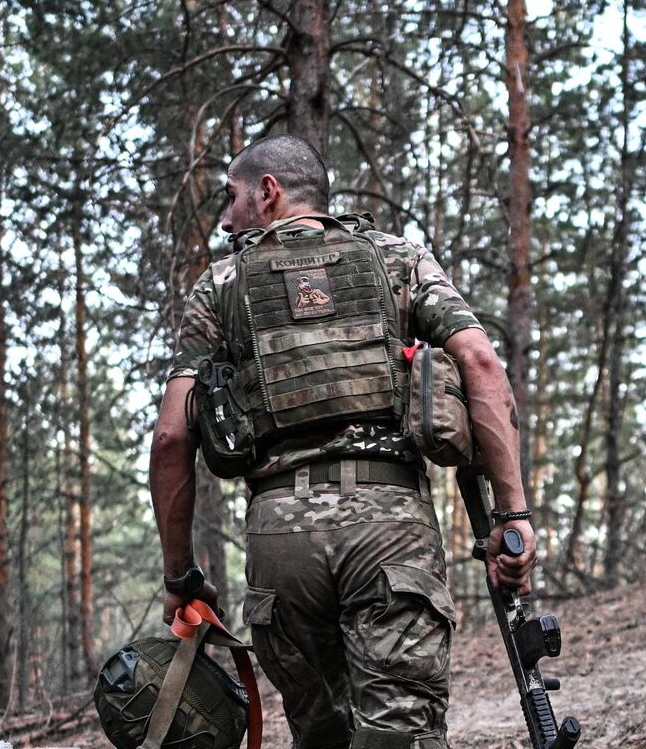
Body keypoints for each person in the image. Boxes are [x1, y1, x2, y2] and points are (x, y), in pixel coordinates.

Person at [148, 134, 538, 749]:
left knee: (322, 733)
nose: (226, 217)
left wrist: (181, 577)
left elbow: (172, 437)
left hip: (281, 537)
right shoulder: (398, 261)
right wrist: (512, 517)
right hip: (391, 531)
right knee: (399, 735)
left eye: (232, 197)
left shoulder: (219, 287)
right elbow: (483, 366)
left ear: (268, 193)